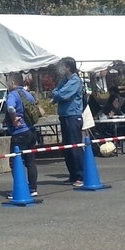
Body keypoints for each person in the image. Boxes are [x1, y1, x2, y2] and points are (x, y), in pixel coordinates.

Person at [51, 57, 85, 187]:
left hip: (73, 116)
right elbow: (55, 93)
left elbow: (61, 94)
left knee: (74, 146)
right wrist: (59, 95)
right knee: (67, 147)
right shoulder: (64, 80)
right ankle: (72, 175)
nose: (60, 68)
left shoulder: (75, 80)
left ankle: (80, 175)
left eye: (62, 66)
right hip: (64, 115)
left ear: (68, 67)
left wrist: (60, 95)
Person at [4, 73, 40, 197]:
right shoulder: (28, 94)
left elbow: (10, 107)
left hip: (19, 132)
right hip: (31, 130)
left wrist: (14, 118)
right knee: (30, 161)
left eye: (8, 82)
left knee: (15, 162)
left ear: (13, 83)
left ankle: (20, 188)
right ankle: (32, 188)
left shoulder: (13, 95)